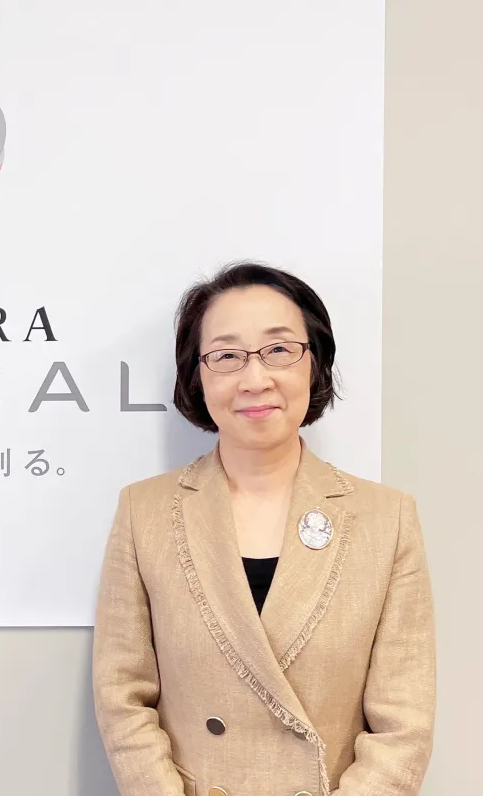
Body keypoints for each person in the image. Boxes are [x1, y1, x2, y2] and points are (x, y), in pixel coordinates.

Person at [92, 261, 435, 796]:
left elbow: (404, 722)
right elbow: (123, 695)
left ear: (315, 364)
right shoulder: (145, 511)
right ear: (197, 375)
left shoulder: (385, 518)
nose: (255, 379)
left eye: (279, 350)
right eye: (227, 355)